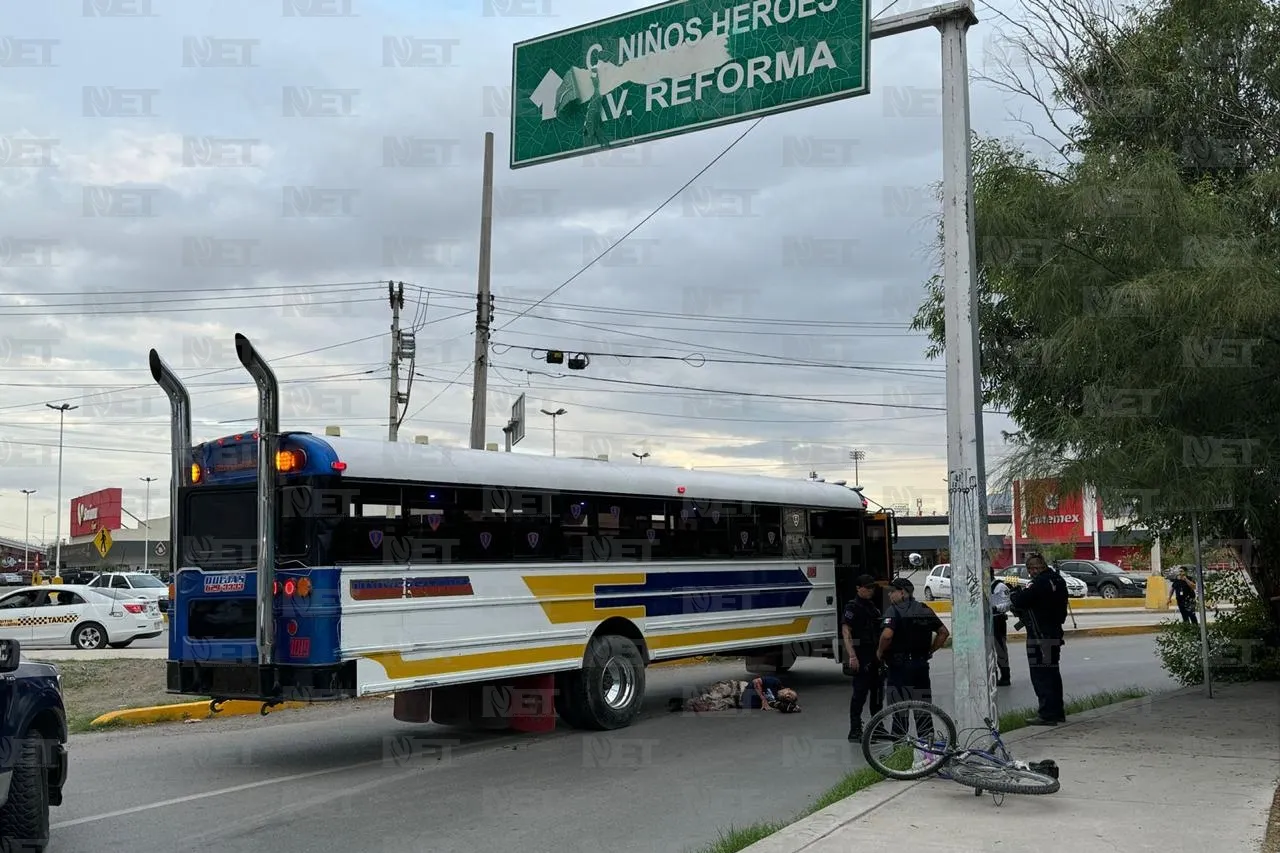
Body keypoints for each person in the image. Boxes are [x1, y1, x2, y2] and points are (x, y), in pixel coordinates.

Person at [874, 577, 949, 746]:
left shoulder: (894, 610)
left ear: (902, 592)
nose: (890, 595)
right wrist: (929, 651)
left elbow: (887, 635)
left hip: (899, 668)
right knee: (923, 710)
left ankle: (899, 753)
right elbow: (943, 632)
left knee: (900, 712)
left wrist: (879, 652)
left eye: (892, 592)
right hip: (920, 667)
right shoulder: (924, 609)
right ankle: (928, 753)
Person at [1010, 552, 1070, 726]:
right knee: (1052, 673)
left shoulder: (1039, 584)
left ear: (1038, 567)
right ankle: (1057, 711)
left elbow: (1020, 601)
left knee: (1041, 675)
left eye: (1033, 568)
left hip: (1039, 635)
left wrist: (1015, 594)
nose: (1033, 571)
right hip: (1054, 632)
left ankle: (1047, 714)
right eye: (1031, 568)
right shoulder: (1058, 581)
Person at [841, 574, 883, 741]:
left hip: (875, 655)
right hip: (861, 654)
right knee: (859, 694)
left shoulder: (872, 606)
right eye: (867, 587)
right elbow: (846, 631)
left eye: (872, 587)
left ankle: (877, 727)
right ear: (858, 588)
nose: (870, 590)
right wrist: (852, 656)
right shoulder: (852, 607)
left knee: (878, 694)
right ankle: (855, 730)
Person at [670, 676, 800, 713]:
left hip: (736, 702)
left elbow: (789, 708)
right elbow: (756, 681)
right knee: (713, 695)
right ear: (787, 688)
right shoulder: (775, 683)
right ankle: (701, 692)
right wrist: (763, 699)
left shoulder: (775, 702)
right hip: (736, 688)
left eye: (789, 697)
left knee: (709, 706)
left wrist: (795, 706)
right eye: (789, 692)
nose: (788, 695)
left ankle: (681, 704)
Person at [990, 565, 1013, 686]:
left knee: (1000, 649)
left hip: (997, 620)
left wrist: (995, 608)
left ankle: (1005, 676)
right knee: (987, 650)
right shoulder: (982, 586)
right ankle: (992, 676)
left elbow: (1008, 603)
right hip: (986, 621)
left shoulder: (999, 586)